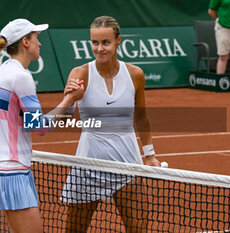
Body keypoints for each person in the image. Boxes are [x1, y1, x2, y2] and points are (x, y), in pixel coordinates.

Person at [0, 18, 83, 233]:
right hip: (12, 172)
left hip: (5, 168)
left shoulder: (4, 71)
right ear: (25, 42)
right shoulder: (21, 77)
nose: (40, 43)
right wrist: (67, 101)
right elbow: (40, 127)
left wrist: (69, 103)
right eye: (36, 38)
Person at [61, 16, 160, 233]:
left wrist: (149, 153)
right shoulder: (80, 74)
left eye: (105, 42)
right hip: (88, 165)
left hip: (127, 162)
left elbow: (141, 116)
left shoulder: (135, 75)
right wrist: (68, 100)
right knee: (74, 230)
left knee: (138, 229)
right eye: (95, 43)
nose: (99, 48)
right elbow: (63, 120)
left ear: (118, 41)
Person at [208, 0, 230, 74]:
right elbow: (211, 11)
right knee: (223, 56)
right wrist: (220, 19)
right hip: (223, 28)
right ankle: (220, 81)